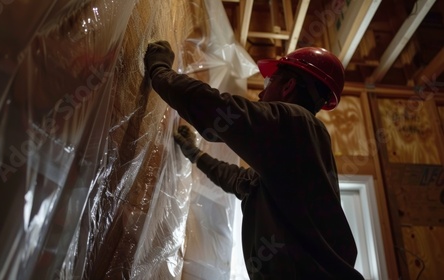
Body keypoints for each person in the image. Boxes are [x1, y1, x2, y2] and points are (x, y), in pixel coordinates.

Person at [144, 40, 364, 279]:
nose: (261, 92)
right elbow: (242, 181)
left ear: (288, 86)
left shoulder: (298, 124)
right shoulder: (294, 152)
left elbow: (221, 110)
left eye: (269, 82)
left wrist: (160, 72)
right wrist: (194, 154)